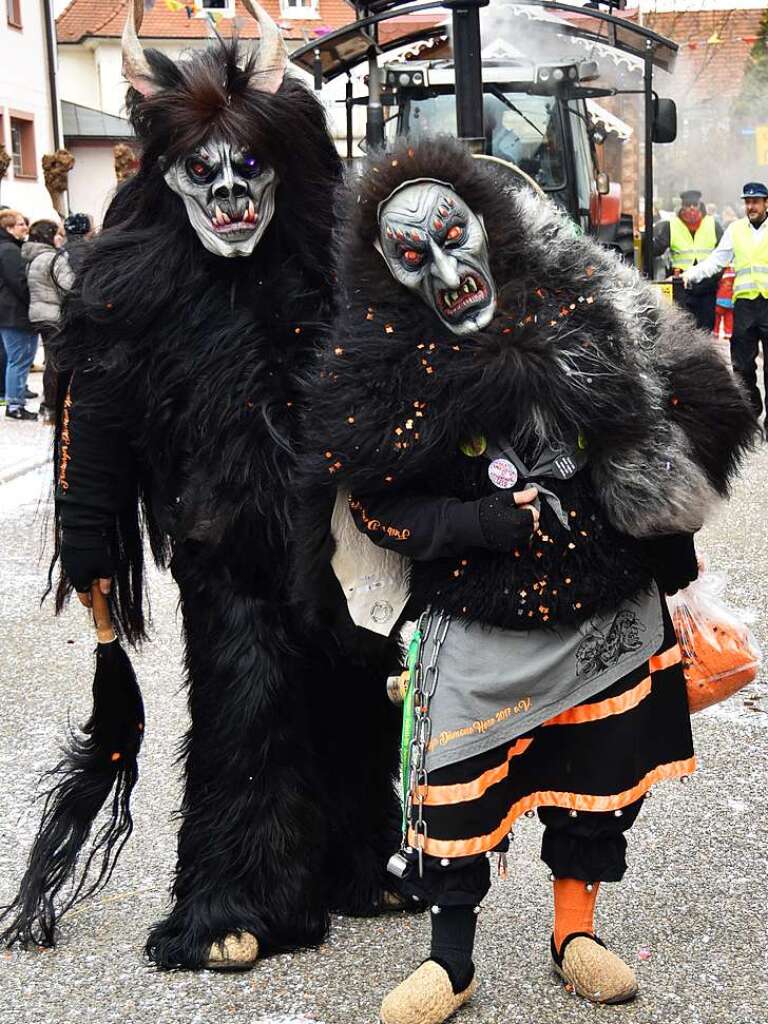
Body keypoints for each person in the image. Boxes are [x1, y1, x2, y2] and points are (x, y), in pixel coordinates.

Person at [298, 138, 755, 1023]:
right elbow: (371, 509)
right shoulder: (378, 368)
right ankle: (453, 960)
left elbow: (688, 411)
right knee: (455, 792)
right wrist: (479, 523)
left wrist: (673, 552)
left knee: (596, 780)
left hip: (602, 609)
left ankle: (575, 932)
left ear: (490, 225)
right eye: (413, 255)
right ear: (387, 272)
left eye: (452, 233)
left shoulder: (587, 305)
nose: (446, 267)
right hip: (479, 620)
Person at [1, 0, 404, 971]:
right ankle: (232, 894)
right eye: (204, 175)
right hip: (224, 536)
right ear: (171, 177)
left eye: (248, 172)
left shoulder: (332, 265)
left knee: (359, 694)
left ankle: (359, 860)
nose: (228, 197)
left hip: (339, 533)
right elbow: (92, 415)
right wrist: (90, 541)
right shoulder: (134, 283)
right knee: (245, 698)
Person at [684, 182, 768, 420]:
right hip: (744, 306)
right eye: (748, 202)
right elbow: (716, 260)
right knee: (742, 365)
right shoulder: (736, 230)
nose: (751, 206)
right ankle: (752, 409)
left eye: (756, 201)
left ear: (766, 203)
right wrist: (692, 274)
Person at [22, 219, 71, 421]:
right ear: (49, 236)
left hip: (38, 314)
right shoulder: (52, 258)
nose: (60, 238)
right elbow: (68, 285)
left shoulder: (32, 257)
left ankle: (48, 403)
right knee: (56, 361)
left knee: (51, 359)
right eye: (58, 234)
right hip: (54, 314)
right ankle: (53, 404)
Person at [654, 189, 722, 330]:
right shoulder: (671, 225)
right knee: (682, 329)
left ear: (700, 205)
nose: (691, 208)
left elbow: (723, 253)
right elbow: (657, 249)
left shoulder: (713, 224)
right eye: (687, 204)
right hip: (681, 289)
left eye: (694, 204)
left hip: (707, 287)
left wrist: (717, 277)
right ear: (682, 206)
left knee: (705, 329)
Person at [0, 209, 39, 421]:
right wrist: (32, 302)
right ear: (9, 228)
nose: (25, 227)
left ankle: (14, 399)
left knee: (16, 359)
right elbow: (19, 282)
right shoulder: (9, 250)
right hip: (15, 314)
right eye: (20, 224)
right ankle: (15, 404)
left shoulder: (8, 247)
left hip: (10, 313)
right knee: (19, 359)